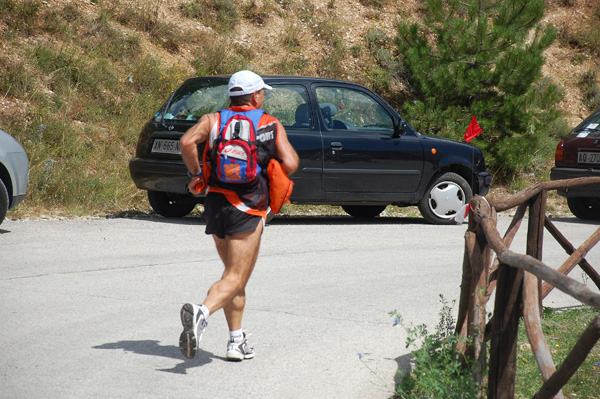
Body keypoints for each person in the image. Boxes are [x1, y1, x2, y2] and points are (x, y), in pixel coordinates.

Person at [178, 70, 299, 361]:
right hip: (249, 207)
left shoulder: (213, 120)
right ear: (255, 95)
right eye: (262, 93)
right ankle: (201, 313)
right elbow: (292, 163)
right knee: (235, 276)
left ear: (232, 95)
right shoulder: (268, 123)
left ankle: (236, 341)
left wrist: (196, 174)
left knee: (234, 277)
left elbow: (186, 143)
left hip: (216, 205)